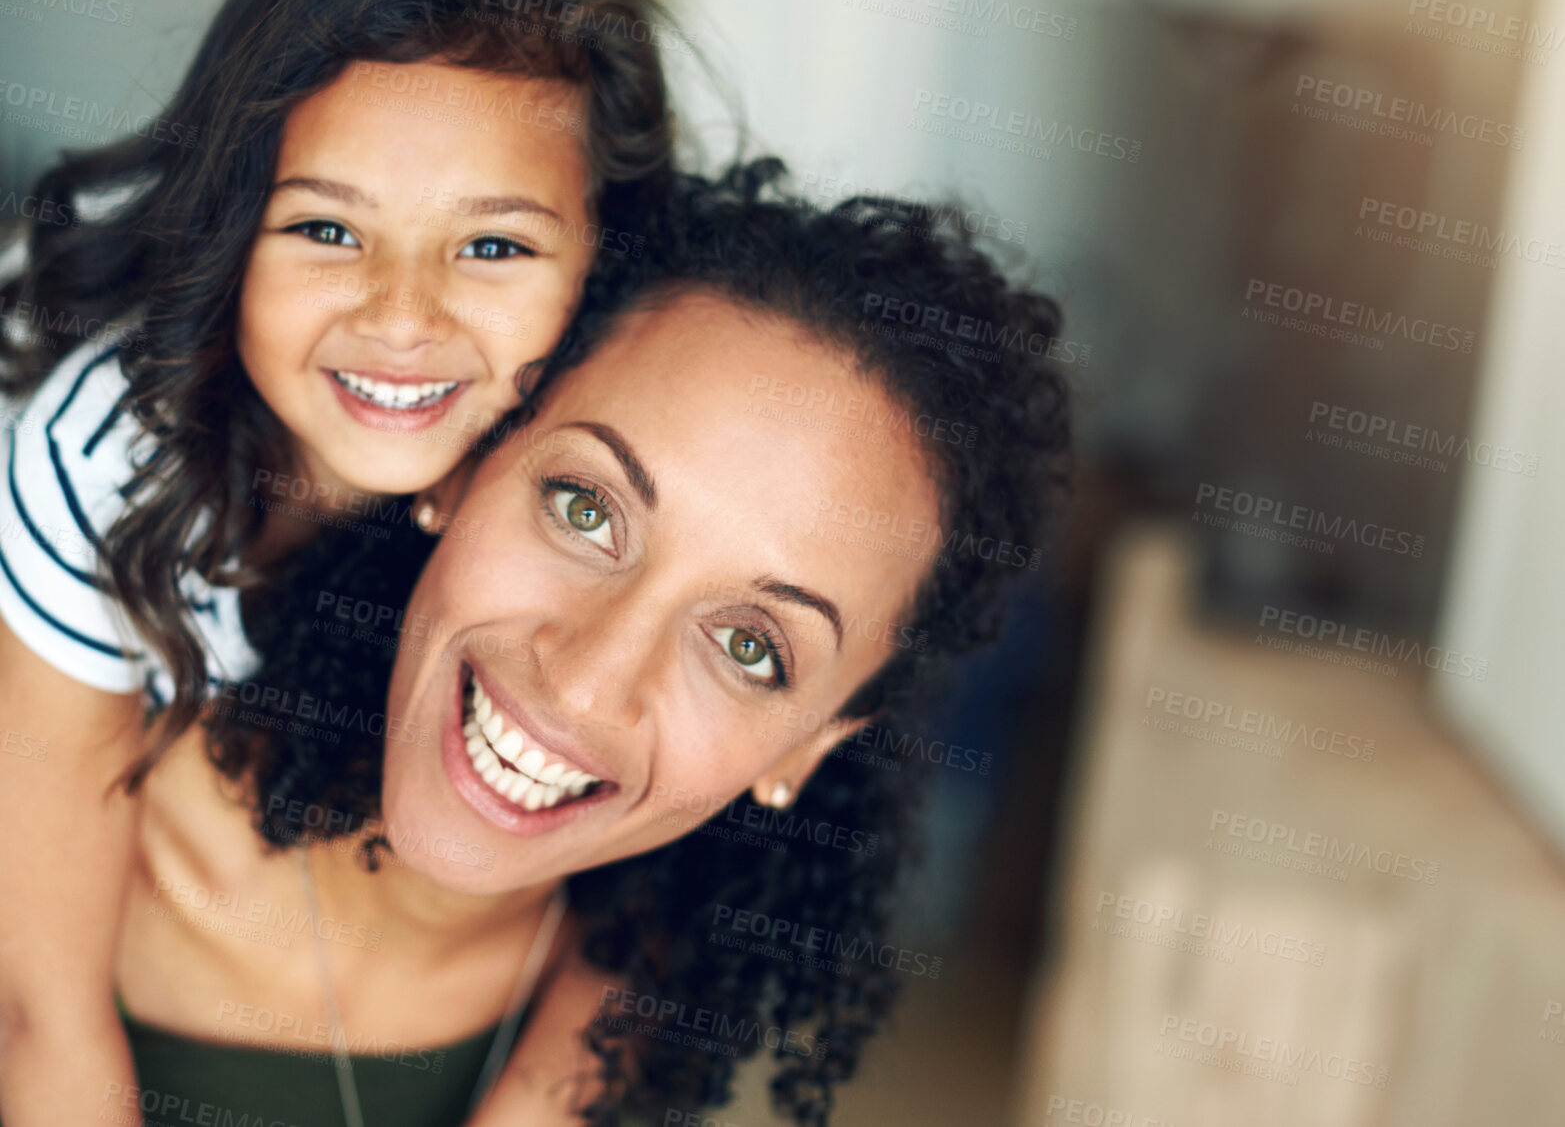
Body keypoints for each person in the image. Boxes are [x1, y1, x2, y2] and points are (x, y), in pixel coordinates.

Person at [112, 162, 1072, 1124]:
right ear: (464, 465)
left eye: (748, 648)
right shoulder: (69, 808)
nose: (583, 683)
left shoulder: (639, 998)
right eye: (585, 509)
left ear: (806, 748)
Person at [0, 0, 674, 1127]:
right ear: (225, 228)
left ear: (603, 262)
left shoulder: (627, 441)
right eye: (324, 227)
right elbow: (37, 1000)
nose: (402, 316)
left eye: (492, 248)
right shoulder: (106, 456)